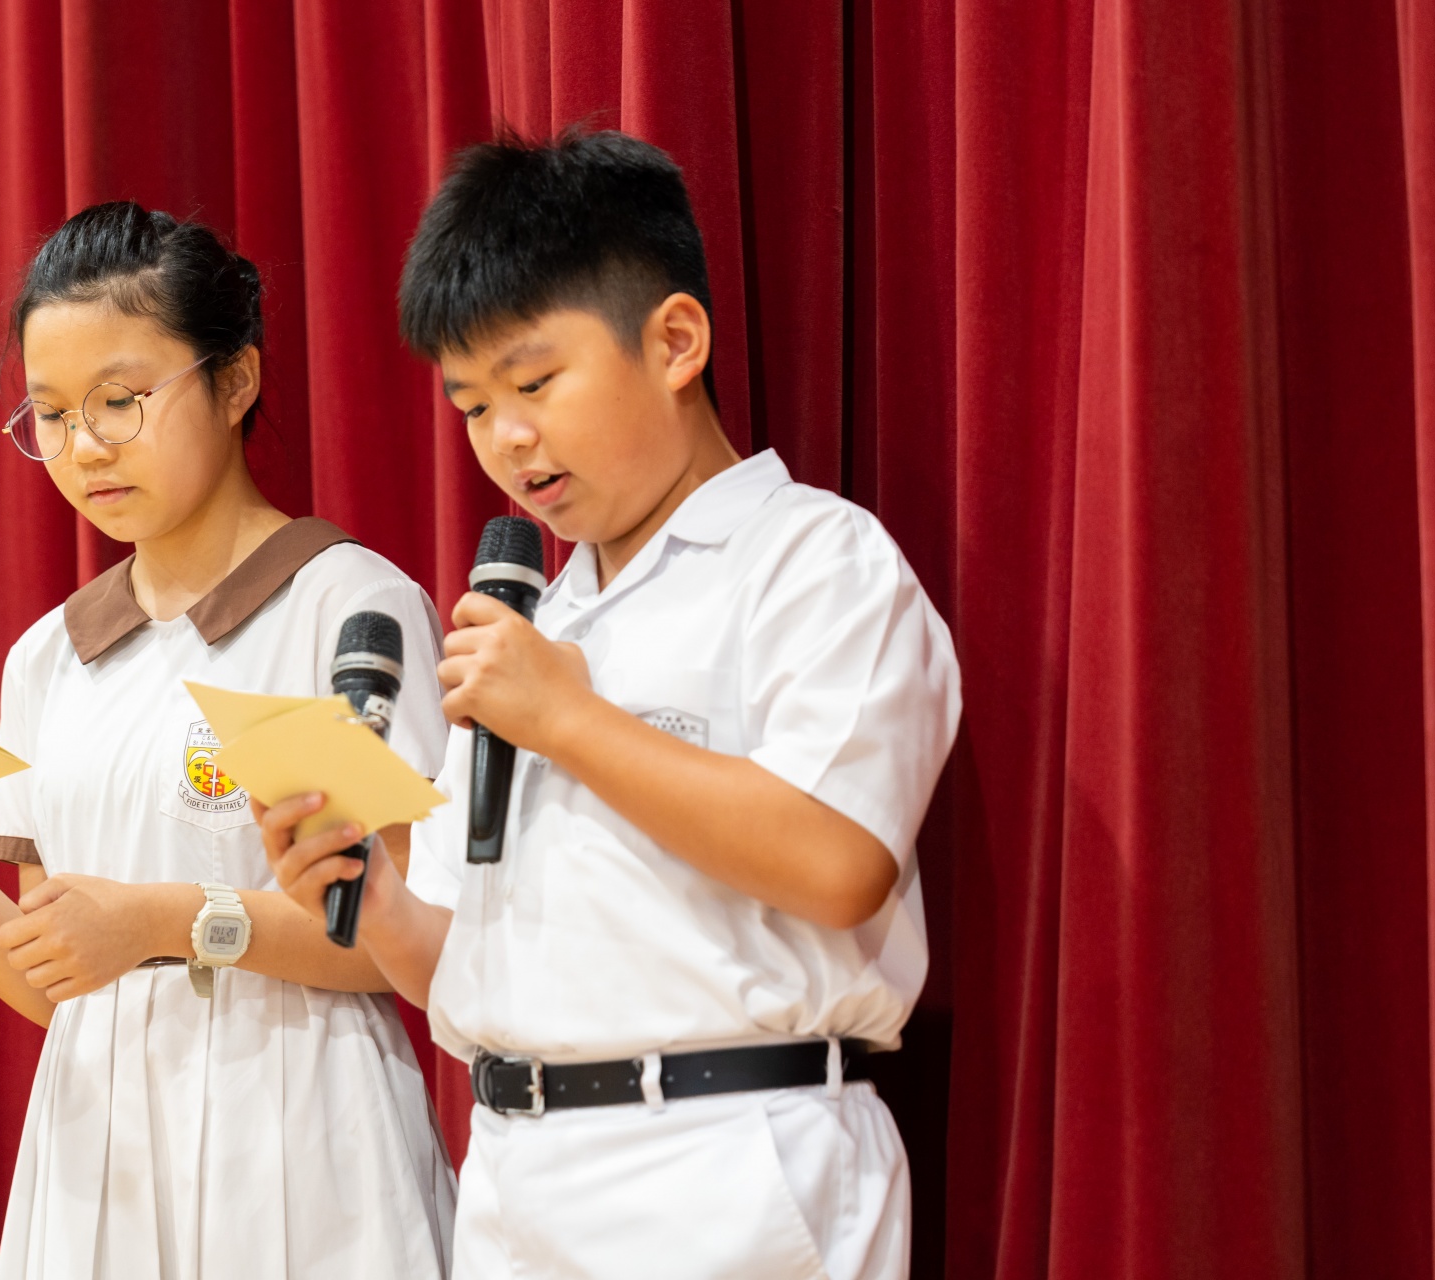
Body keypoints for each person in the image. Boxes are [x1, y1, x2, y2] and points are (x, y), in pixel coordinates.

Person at [258, 131, 960, 1279]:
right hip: (515, 1174)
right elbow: (461, 964)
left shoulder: (811, 558)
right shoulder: (532, 627)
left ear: (675, 341)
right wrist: (374, 897)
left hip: (730, 1162)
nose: (508, 438)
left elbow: (841, 862)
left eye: (535, 384)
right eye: (474, 405)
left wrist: (570, 722)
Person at [0, 201, 455, 1279]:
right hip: (97, 1161)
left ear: (235, 381)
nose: (85, 447)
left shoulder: (346, 606)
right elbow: (56, 979)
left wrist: (169, 919)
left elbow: (396, 938)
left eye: (121, 401)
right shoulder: (49, 657)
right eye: (52, 414)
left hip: (303, 1140)